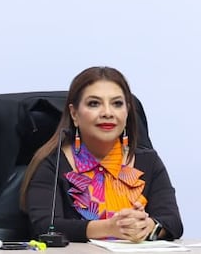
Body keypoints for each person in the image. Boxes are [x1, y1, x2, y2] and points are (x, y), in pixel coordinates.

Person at [21, 66, 183, 243]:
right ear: (74, 114)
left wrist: (149, 226)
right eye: (94, 103)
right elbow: (45, 227)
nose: (107, 113)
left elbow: (173, 222)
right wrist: (109, 227)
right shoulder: (53, 162)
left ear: (127, 111)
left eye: (117, 104)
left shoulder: (149, 161)